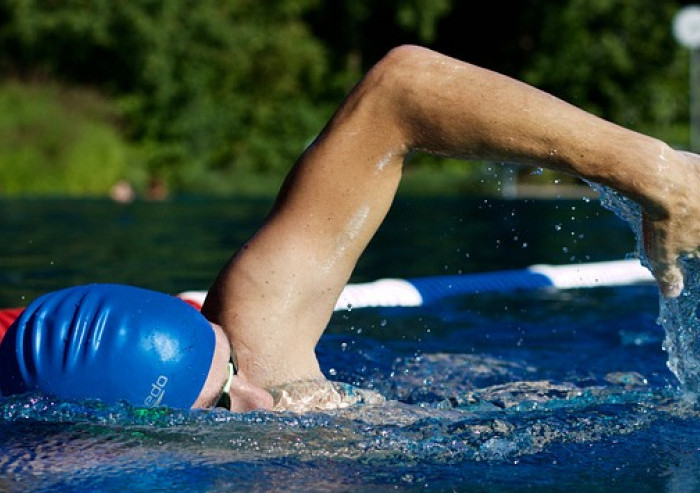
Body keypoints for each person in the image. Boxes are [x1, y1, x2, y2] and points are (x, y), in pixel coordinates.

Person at [1, 45, 699, 412]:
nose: (261, 396)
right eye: (222, 404)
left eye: (234, 371)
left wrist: (647, 170)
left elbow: (402, 92)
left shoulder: (247, 340)